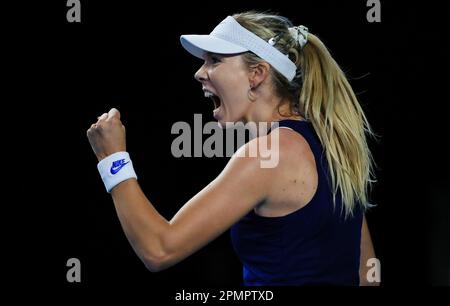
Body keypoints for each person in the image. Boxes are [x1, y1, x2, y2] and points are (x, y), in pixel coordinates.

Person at [87, 11, 378, 286]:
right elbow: (367, 274)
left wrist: (112, 158)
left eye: (214, 60)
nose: (200, 73)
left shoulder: (269, 155)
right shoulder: (332, 144)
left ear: (257, 74)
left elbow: (159, 249)